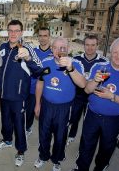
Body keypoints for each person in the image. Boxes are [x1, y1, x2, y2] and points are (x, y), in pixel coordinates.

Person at [72, 38, 119, 171]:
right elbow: (87, 90)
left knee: (106, 149)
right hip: (92, 115)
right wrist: (95, 80)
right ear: (110, 53)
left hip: (115, 119)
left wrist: (112, 97)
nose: (118, 56)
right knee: (86, 146)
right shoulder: (99, 67)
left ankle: (99, 169)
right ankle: (80, 168)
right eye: (115, 52)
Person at [34, 37, 86, 171]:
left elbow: (83, 84)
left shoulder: (76, 64)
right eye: (56, 47)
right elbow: (40, 83)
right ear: (52, 49)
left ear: (68, 49)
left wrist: (70, 68)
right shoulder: (45, 62)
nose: (59, 51)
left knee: (60, 136)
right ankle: (43, 156)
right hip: (46, 105)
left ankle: (57, 159)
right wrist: (37, 104)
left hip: (65, 108)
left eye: (63, 48)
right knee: (44, 133)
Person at [0, 19, 43, 167]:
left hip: (19, 97)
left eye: (16, 31)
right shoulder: (3, 46)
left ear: (21, 32)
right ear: (7, 31)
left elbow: (39, 70)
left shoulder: (27, 48)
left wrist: (28, 58)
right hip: (4, 94)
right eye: (10, 30)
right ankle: (7, 140)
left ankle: (21, 151)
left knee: (19, 124)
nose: (13, 33)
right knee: (5, 121)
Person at [67, 35, 107, 145]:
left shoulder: (104, 62)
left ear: (97, 45)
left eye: (93, 45)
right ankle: (72, 134)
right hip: (78, 95)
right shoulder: (76, 59)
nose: (90, 48)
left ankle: (84, 140)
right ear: (83, 45)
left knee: (88, 121)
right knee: (74, 116)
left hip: (93, 96)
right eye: (87, 45)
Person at [26, 27, 52, 138]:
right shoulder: (33, 52)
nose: (42, 38)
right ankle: (27, 128)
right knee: (30, 111)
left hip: (48, 90)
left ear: (49, 37)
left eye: (45, 35)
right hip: (32, 88)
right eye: (40, 36)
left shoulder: (53, 53)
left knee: (46, 114)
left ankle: (46, 133)